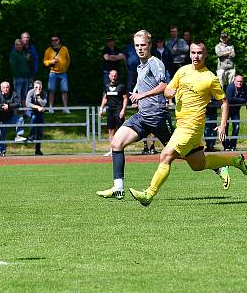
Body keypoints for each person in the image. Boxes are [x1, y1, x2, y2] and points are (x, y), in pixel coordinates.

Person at [96, 31, 230, 199]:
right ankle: (118, 187)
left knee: (178, 155)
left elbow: (163, 85)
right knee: (116, 143)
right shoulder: (140, 65)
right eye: (137, 45)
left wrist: (143, 95)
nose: (140, 48)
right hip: (142, 116)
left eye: (143, 45)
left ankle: (217, 166)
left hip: (158, 117)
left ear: (149, 45)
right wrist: (137, 94)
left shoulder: (155, 63)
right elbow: (151, 87)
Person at [128, 38, 247, 207]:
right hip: (182, 125)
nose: (196, 56)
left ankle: (149, 194)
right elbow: (168, 91)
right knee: (198, 164)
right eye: (193, 52)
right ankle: (235, 160)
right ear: (190, 54)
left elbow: (224, 102)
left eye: (200, 53)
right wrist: (171, 92)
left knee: (165, 155)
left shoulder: (210, 78)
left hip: (191, 127)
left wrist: (222, 125)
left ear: (205, 55)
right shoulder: (182, 71)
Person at [99, 69, 128, 156]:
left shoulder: (121, 86)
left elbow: (125, 98)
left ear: (117, 76)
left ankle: (120, 149)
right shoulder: (106, 86)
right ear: (109, 76)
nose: (113, 77)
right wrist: (101, 108)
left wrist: (123, 110)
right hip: (110, 110)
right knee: (111, 131)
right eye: (112, 76)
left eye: (115, 76)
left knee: (120, 131)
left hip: (118, 110)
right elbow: (105, 98)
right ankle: (112, 150)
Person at [0, 81, 23, 156]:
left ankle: (19, 135)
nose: (6, 89)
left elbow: (18, 104)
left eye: (7, 87)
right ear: (1, 88)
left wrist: (8, 106)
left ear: (9, 88)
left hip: (8, 117)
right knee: (0, 134)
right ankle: (2, 151)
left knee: (20, 119)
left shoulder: (14, 94)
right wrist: (3, 106)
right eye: (4, 87)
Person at [44, 35, 70, 113]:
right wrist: (50, 62)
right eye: (52, 40)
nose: (54, 41)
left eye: (56, 40)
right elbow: (45, 61)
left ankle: (65, 108)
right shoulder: (48, 50)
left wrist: (65, 68)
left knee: (64, 90)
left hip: (63, 73)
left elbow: (68, 60)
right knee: (51, 90)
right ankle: (51, 108)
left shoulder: (64, 49)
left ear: (59, 40)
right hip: (53, 73)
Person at [223, 74, 247, 151]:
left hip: (236, 111)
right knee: (225, 128)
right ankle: (226, 146)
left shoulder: (244, 87)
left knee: (236, 128)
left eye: (241, 81)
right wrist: (241, 100)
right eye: (238, 81)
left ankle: (233, 145)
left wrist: (237, 100)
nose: (239, 83)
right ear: (234, 81)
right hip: (227, 110)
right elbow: (229, 99)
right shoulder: (230, 87)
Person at [26, 80, 48, 156]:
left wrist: (38, 97)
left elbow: (44, 103)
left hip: (40, 113)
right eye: (36, 87)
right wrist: (37, 107)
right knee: (34, 117)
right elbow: (27, 103)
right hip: (31, 111)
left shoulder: (44, 93)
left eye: (40, 87)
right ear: (33, 87)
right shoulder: (30, 92)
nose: (38, 89)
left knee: (40, 131)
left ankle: (38, 150)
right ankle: (31, 135)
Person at [9, 39, 30, 107]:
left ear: (22, 45)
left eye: (20, 44)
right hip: (18, 78)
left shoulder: (24, 53)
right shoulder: (13, 54)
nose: (18, 46)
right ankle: (17, 111)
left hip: (26, 77)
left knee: (25, 94)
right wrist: (17, 76)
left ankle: (24, 111)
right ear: (15, 46)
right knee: (17, 95)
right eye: (16, 45)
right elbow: (13, 67)